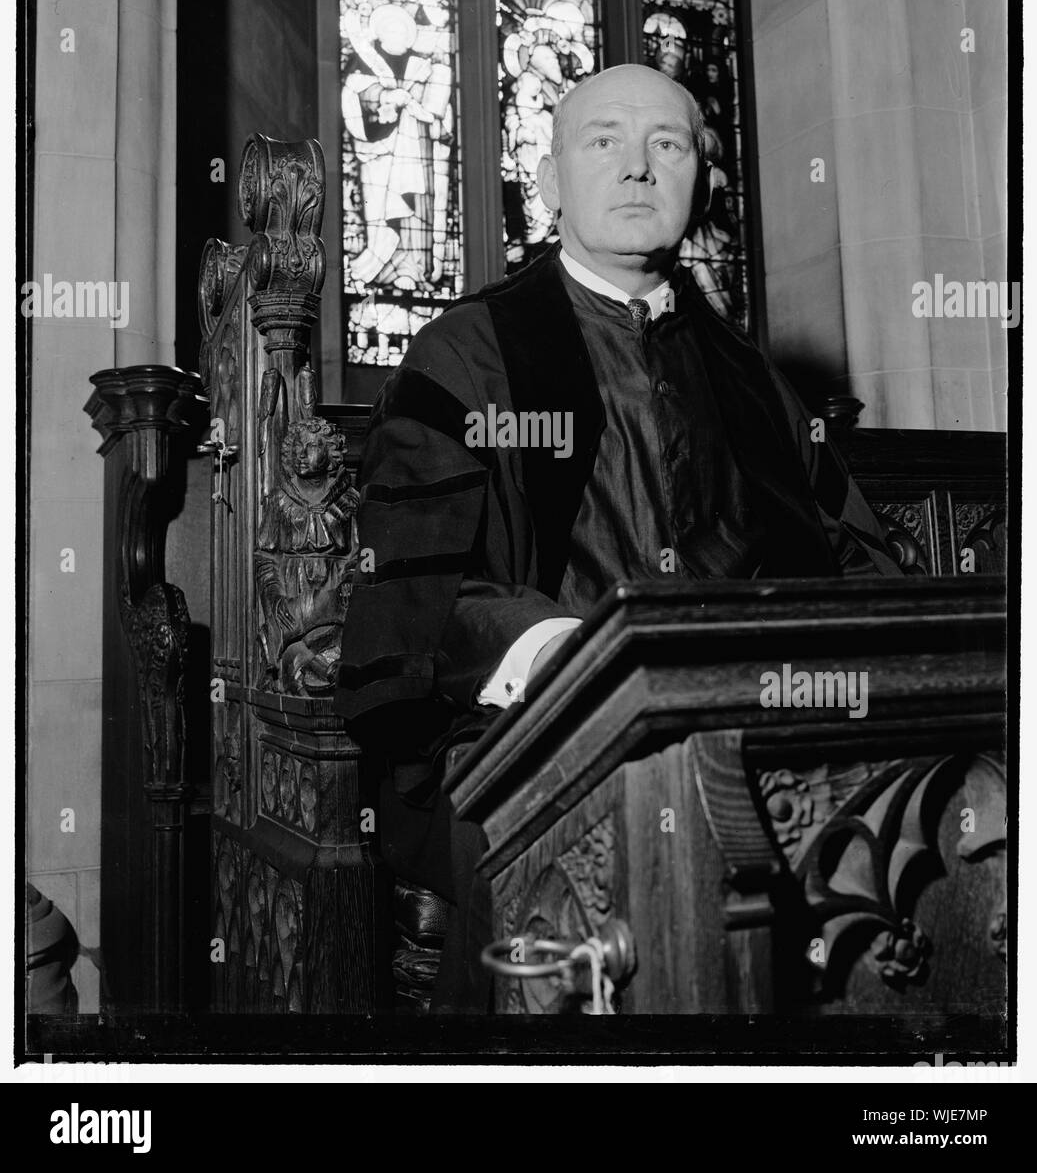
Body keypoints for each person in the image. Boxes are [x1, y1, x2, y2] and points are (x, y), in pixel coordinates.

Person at [333, 63, 903, 1010]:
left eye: (666, 145)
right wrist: (585, 664)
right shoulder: (466, 356)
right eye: (604, 141)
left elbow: (855, 562)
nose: (637, 168)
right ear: (550, 181)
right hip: (524, 733)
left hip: (746, 720)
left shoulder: (755, 381)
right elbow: (416, 595)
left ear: (700, 187)